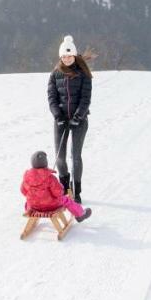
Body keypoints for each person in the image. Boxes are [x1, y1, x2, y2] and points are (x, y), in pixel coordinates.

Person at [46, 34, 92, 202]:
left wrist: (78, 117)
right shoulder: (55, 74)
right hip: (60, 120)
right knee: (60, 157)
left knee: (75, 156)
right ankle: (64, 189)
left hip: (79, 121)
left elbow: (85, 98)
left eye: (69, 56)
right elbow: (52, 98)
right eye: (63, 56)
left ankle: (76, 192)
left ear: (74, 55)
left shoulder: (83, 74)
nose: (66, 59)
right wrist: (58, 116)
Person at [21, 151, 91, 222]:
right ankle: (80, 214)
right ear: (46, 163)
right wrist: (61, 187)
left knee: (28, 201)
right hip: (51, 206)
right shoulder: (50, 178)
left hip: (34, 206)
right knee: (67, 200)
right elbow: (58, 193)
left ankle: (29, 210)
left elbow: (23, 191)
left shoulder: (27, 178)